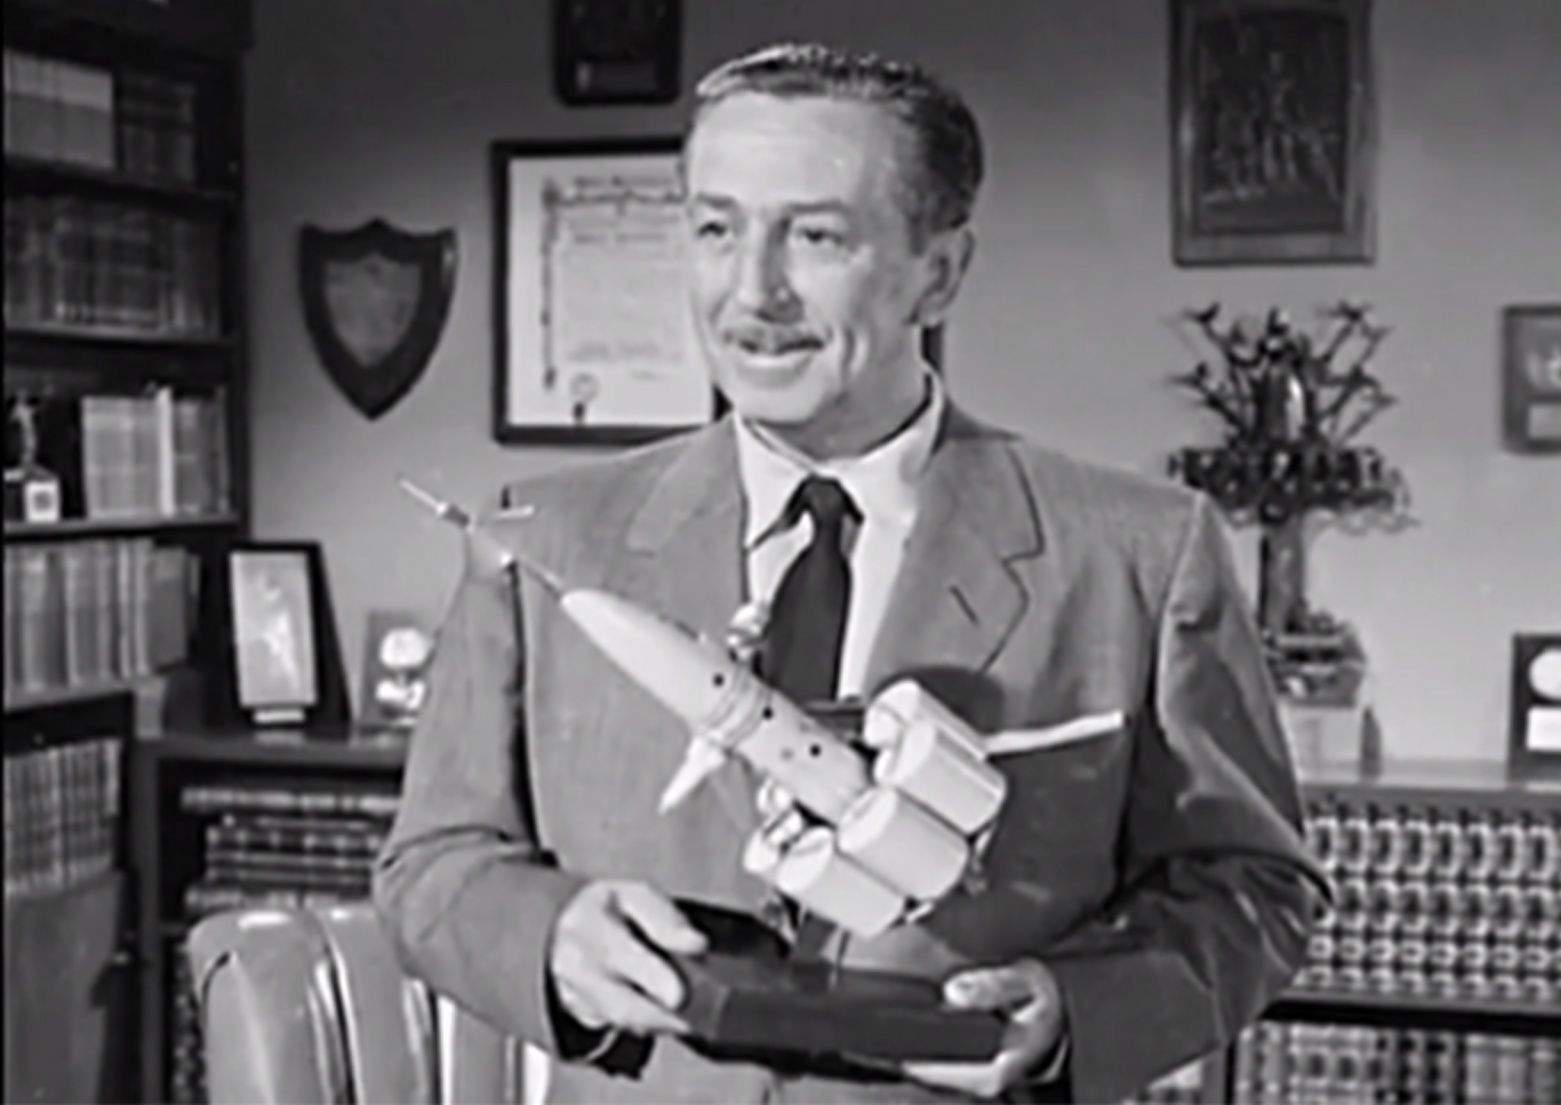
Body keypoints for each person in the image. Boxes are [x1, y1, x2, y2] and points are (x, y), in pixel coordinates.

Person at [375, 41, 1325, 1104]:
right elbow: (431, 864)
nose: (752, 292)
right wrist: (551, 938)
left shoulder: (1139, 552)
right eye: (716, 229)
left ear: (939, 273)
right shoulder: (542, 540)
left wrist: (1074, 1011)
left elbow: (1254, 889)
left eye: (816, 236)